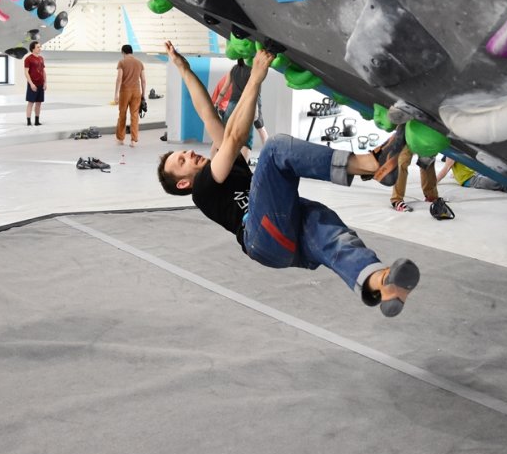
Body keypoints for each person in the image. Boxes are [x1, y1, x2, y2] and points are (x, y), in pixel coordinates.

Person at [156, 41, 419, 316]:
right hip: (260, 235)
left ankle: (381, 282)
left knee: (330, 232)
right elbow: (233, 137)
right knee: (275, 149)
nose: (188, 153)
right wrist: (256, 77)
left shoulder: (226, 165)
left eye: (183, 152)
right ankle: (370, 164)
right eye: (182, 161)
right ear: (183, 183)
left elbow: (209, 116)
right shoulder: (202, 190)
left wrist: (183, 68)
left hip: (283, 241)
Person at [221, 59, 269, 149]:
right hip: (251, 101)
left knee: (225, 129)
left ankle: (219, 154)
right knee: (259, 127)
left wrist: (217, 103)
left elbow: (225, 87)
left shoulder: (234, 69)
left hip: (234, 102)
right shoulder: (253, 69)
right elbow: (256, 89)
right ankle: (269, 153)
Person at [114, 44, 146, 147]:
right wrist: (143, 94)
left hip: (125, 91)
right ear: (131, 52)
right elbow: (143, 81)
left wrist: (116, 94)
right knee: (135, 115)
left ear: (123, 52)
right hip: (137, 91)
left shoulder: (122, 62)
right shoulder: (139, 63)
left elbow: (119, 79)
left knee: (122, 114)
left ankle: (121, 139)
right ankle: (133, 140)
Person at [436, 156, 507, 192]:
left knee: (500, 170)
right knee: (496, 183)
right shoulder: (451, 154)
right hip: (470, 179)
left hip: (476, 172)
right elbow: (446, 169)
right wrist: (433, 182)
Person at [24, 40, 46, 125]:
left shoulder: (41, 58)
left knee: (39, 103)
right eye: (38, 47)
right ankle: (29, 121)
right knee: (30, 103)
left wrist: (45, 82)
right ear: (33, 49)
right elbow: (26, 72)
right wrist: (31, 84)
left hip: (41, 84)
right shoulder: (28, 59)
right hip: (33, 84)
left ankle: (37, 120)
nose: (40, 48)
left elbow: (43, 71)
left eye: (40, 47)